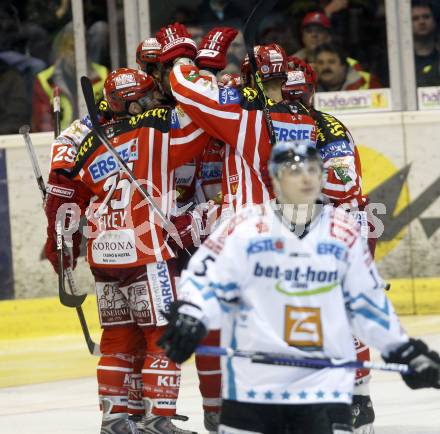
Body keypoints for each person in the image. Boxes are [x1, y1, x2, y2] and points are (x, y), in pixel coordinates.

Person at [158, 141, 440, 434]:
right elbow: (207, 278)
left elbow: (366, 302)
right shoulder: (245, 227)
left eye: (313, 170)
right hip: (254, 389)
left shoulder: (343, 232)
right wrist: (192, 314)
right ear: (276, 179)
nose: (306, 178)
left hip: (323, 389)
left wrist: (404, 350)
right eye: (295, 170)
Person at [44, 67, 210, 434]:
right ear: (131, 102)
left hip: (103, 253)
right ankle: (158, 418)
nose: (153, 101)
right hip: (144, 250)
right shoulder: (153, 129)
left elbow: (72, 192)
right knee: (162, 333)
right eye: (147, 96)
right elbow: (201, 134)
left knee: (117, 337)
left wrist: (63, 237)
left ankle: (114, 418)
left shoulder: (89, 143)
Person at [282, 57, 377, 433]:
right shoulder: (272, 129)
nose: (293, 101)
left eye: (298, 94)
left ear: (310, 93)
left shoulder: (327, 128)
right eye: (287, 94)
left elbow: (343, 186)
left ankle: (359, 400)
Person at [31, 22, 108, 132]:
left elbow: (110, 115)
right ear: (62, 49)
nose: (77, 53)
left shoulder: (102, 75)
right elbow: (44, 124)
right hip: (61, 139)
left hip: (95, 137)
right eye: (72, 48)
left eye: (82, 48)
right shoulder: (46, 80)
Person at [315, 43, 382, 91]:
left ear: (343, 66)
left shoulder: (368, 84)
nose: (325, 67)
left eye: (331, 62)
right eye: (320, 63)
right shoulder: (309, 88)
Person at [411, 0, 440, 86]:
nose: (421, 22)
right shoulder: (401, 60)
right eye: (415, 18)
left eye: (426, 17)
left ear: (435, 21)